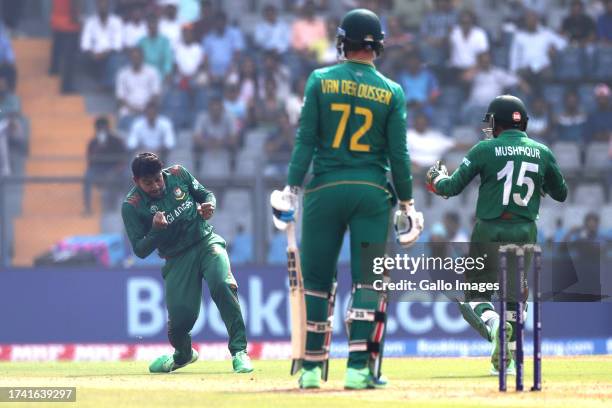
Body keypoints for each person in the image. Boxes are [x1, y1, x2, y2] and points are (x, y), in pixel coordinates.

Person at [271, 9, 423, 390]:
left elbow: (305, 140)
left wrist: (292, 186)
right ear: (378, 46)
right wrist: (406, 203)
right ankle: (358, 369)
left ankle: (309, 369)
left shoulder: (320, 80)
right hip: (371, 191)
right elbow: (399, 156)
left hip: (324, 189)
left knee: (317, 282)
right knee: (369, 282)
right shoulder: (391, 91)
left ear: (342, 42)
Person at [426, 94, 568, 375]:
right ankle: (510, 361)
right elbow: (561, 193)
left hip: (489, 230)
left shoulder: (484, 149)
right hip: (525, 230)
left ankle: (493, 325)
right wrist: (539, 186)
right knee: (516, 299)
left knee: (475, 297)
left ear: (497, 122)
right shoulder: (542, 151)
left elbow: (451, 188)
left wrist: (435, 178)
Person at [121, 152, 253, 374]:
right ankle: (182, 355)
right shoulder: (132, 206)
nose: (155, 186)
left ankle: (239, 352)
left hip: (205, 242)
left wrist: (209, 205)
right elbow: (140, 250)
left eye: (157, 179)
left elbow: (205, 194)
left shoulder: (178, 174)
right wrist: (155, 231)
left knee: (222, 285)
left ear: (162, 173)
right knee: (180, 323)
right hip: (176, 258)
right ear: (136, 181)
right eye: (147, 183)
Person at [83, 117, 128, 215]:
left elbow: (124, 159)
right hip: (98, 168)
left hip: (115, 168)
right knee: (87, 176)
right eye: (99, 129)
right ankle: (87, 208)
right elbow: (90, 162)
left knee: (126, 175)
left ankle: (128, 206)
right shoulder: (93, 142)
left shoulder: (117, 141)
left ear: (108, 128)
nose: (102, 131)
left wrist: (116, 170)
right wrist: (99, 147)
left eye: (104, 128)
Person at [80, 0, 123, 88]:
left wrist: (105, 53)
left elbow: (117, 44)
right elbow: (85, 43)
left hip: (109, 53)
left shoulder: (116, 21)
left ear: (109, 7)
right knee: (84, 57)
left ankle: (106, 84)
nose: (102, 7)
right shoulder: (90, 22)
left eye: (105, 5)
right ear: (96, 6)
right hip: (93, 55)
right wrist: (92, 53)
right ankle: (100, 81)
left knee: (115, 58)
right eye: (100, 5)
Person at [116, 47, 161, 130]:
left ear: (142, 57)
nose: (135, 60)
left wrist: (145, 109)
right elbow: (120, 98)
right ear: (130, 58)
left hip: (148, 113)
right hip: (128, 113)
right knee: (131, 126)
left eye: (138, 57)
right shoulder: (123, 74)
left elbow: (155, 94)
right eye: (133, 57)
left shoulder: (152, 72)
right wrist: (133, 109)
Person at [49, 0, 80, 94]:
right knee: (69, 57)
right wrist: (77, 19)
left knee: (57, 47)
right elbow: (75, 4)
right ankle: (66, 86)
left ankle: (54, 69)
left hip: (56, 19)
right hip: (69, 23)